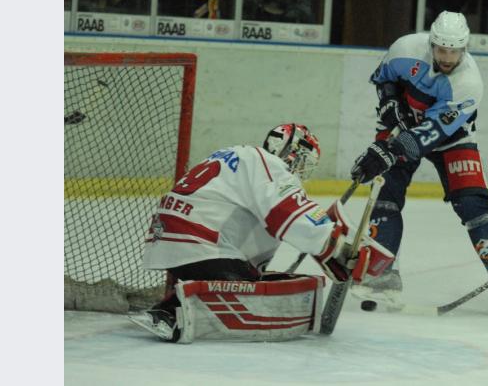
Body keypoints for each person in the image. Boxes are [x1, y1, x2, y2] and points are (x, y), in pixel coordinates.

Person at [131, 123, 394, 342]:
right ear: (292, 152)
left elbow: (273, 222)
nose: (302, 171)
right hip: (200, 241)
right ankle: (172, 311)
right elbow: (291, 214)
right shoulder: (270, 165)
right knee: (251, 293)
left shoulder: (237, 156)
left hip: (168, 236)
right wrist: (337, 248)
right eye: (304, 162)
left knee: (250, 274)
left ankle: (176, 300)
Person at [348, 11, 488, 313]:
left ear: (465, 48)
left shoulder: (468, 84)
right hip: (403, 128)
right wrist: (391, 103)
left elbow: (426, 136)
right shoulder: (405, 48)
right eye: (442, 49)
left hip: (451, 138)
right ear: (431, 43)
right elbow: (384, 79)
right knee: (385, 198)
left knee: (473, 206)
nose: (447, 57)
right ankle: (382, 274)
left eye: (454, 51)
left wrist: (385, 152)